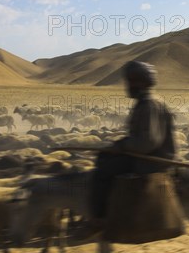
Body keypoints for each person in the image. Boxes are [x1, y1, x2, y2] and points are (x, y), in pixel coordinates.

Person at [75, 60, 177, 240]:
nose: (129, 85)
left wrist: (121, 146)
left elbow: (148, 141)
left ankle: (98, 220)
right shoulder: (148, 101)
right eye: (129, 80)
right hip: (150, 155)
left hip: (152, 160)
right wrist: (117, 145)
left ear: (144, 82)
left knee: (102, 171)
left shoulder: (149, 104)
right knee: (104, 156)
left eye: (133, 80)